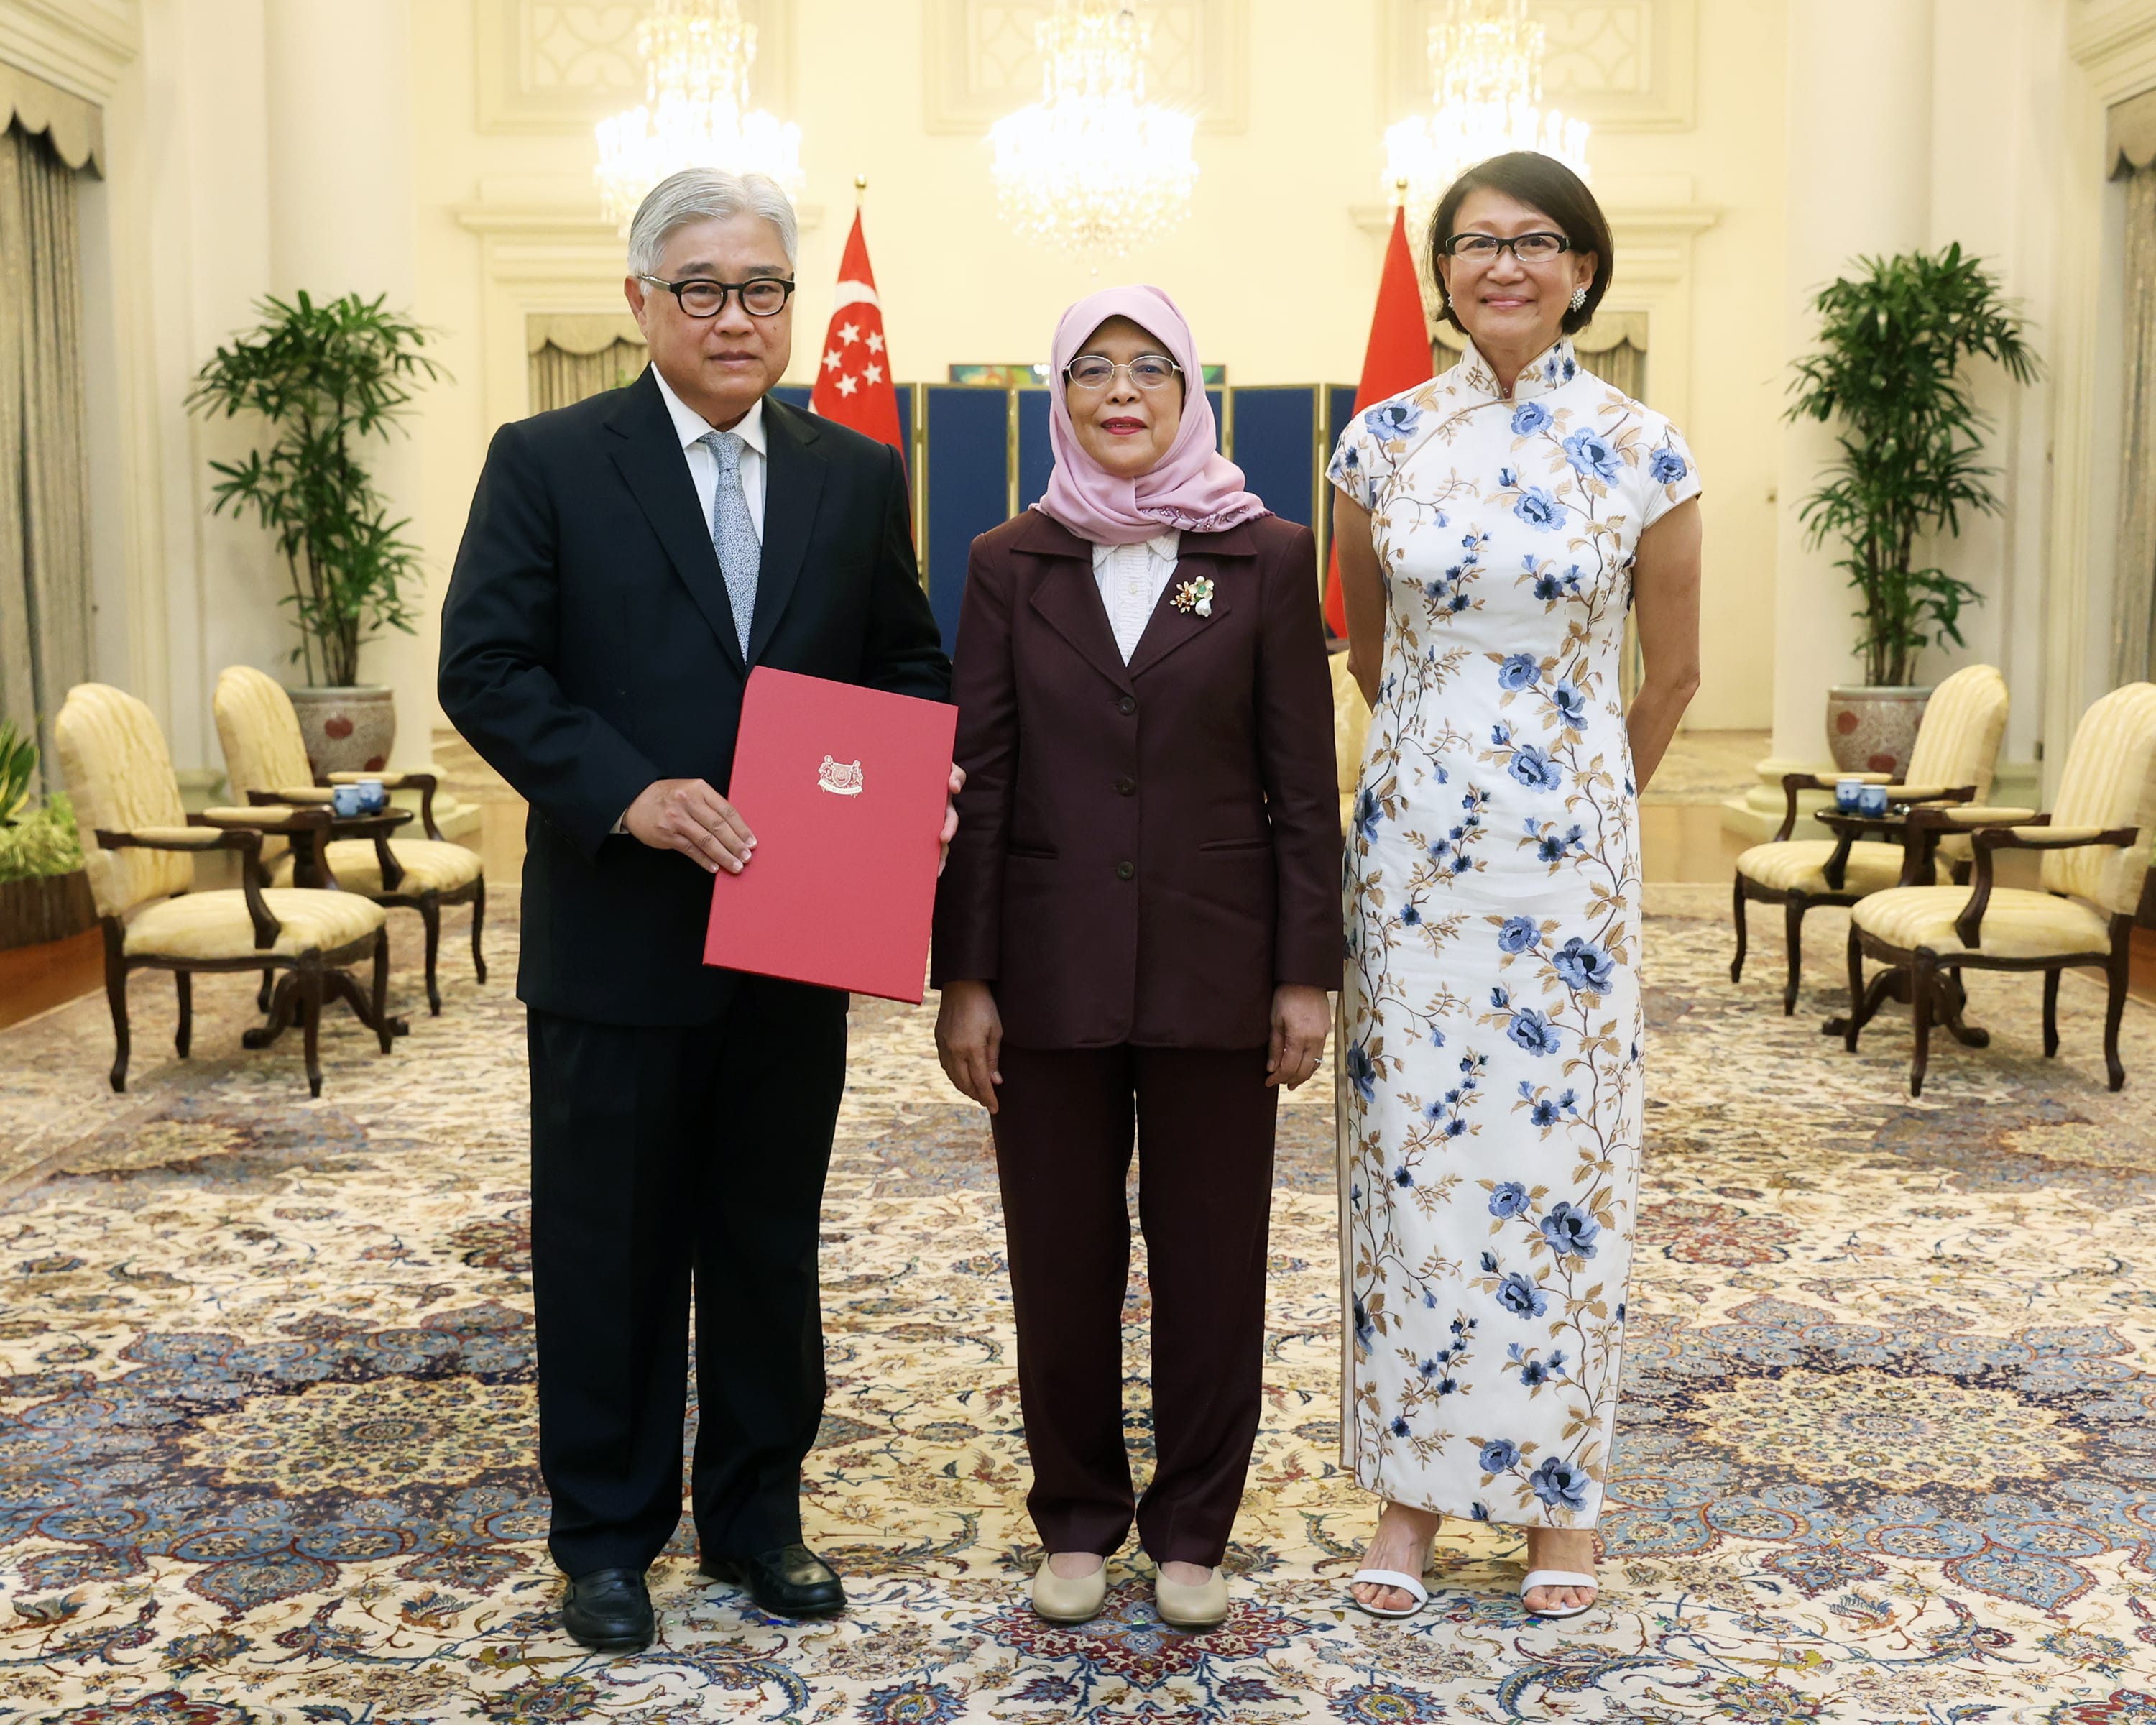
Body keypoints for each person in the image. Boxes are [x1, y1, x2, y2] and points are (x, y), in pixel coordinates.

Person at [438, 168, 954, 1652]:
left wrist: (921, 773)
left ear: (795, 305)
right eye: (705, 288)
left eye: (764, 289)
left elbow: (905, 663)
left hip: (797, 937)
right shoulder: (545, 459)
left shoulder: (855, 474)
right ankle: (604, 1538)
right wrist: (628, 792)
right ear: (641, 304)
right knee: (605, 1243)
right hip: (618, 930)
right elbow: (485, 669)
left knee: (764, 1235)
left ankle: (757, 1515)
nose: (739, 316)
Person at [1328, 151, 1704, 1622]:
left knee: (1561, 1178)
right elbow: (1367, 644)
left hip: (1571, 879)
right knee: (1415, 1169)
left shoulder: (1646, 447)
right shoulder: (1380, 444)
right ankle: (1411, 1496)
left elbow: (1672, 674)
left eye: (1536, 242)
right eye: (1478, 244)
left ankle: (1564, 1509)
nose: (1505, 265)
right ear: (1447, 271)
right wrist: (1445, 762)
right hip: (1416, 861)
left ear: (1584, 271)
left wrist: (1588, 802)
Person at [932, 285, 1340, 1632]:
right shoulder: (1010, 560)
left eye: (1149, 369)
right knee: (1059, 1255)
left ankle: (1193, 1528)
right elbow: (980, 781)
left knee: (1213, 1259)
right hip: (1045, 969)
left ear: (1189, 392)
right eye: (1094, 371)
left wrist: (1305, 972)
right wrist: (967, 976)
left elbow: (1301, 782)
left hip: (1219, 970)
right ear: (1060, 397)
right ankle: (1077, 1518)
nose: (1122, 393)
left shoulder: (1266, 553)